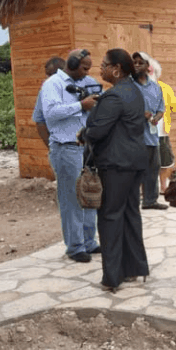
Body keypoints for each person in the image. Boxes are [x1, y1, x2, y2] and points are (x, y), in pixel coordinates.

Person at [82, 48, 149, 292]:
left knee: (110, 217)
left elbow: (97, 131)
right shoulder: (135, 92)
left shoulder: (113, 97)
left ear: (116, 70)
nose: (100, 70)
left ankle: (112, 276)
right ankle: (135, 268)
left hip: (116, 165)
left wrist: (85, 132)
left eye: (103, 65)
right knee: (131, 214)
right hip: (135, 162)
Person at [39, 49, 100, 263]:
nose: (86, 73)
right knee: (71, 199)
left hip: (88, 147)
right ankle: (75, 247)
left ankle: (89, 242)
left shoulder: (87, 82)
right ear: (72, 63)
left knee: (90, 194)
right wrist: (80, 105)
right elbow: (51, 113)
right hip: (66, 147)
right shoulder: (52, 85)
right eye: (84, 68)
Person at [140, 55, 176, 192]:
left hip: (162, 132)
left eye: (151, 70)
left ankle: (163, 186)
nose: (149, 73)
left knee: (166, 162)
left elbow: (175, 107)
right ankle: (145, 189)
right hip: (143, 134)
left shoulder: (165, 88)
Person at [132, 52, 168, 210]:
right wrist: (140, 113)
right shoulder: (129, 86)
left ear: (148, 67)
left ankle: (150, 201)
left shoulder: (155, 87)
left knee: (153, 169)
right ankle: (131, 201)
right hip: (133, 137)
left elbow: (161, 109)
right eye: (135, 62)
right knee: (134, 172)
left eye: (141, 62)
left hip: (152, 135)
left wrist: (156, 117)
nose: (137, 65)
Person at [33, 56, 66, 148]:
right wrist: (52, 147)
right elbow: (40, 122)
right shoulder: (45, 91)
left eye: (52, 74)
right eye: (48, 75)